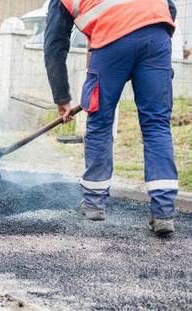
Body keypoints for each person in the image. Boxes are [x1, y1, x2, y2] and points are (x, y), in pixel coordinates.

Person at [44, 0, 178, 235]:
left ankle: (94, 202)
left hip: (111, 41)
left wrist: (62, 98)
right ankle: (163, 212)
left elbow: (54, 46)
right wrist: (149, 53)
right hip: (157, 37)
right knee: (157, 125)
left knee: (100, 121)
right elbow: (170, 9)